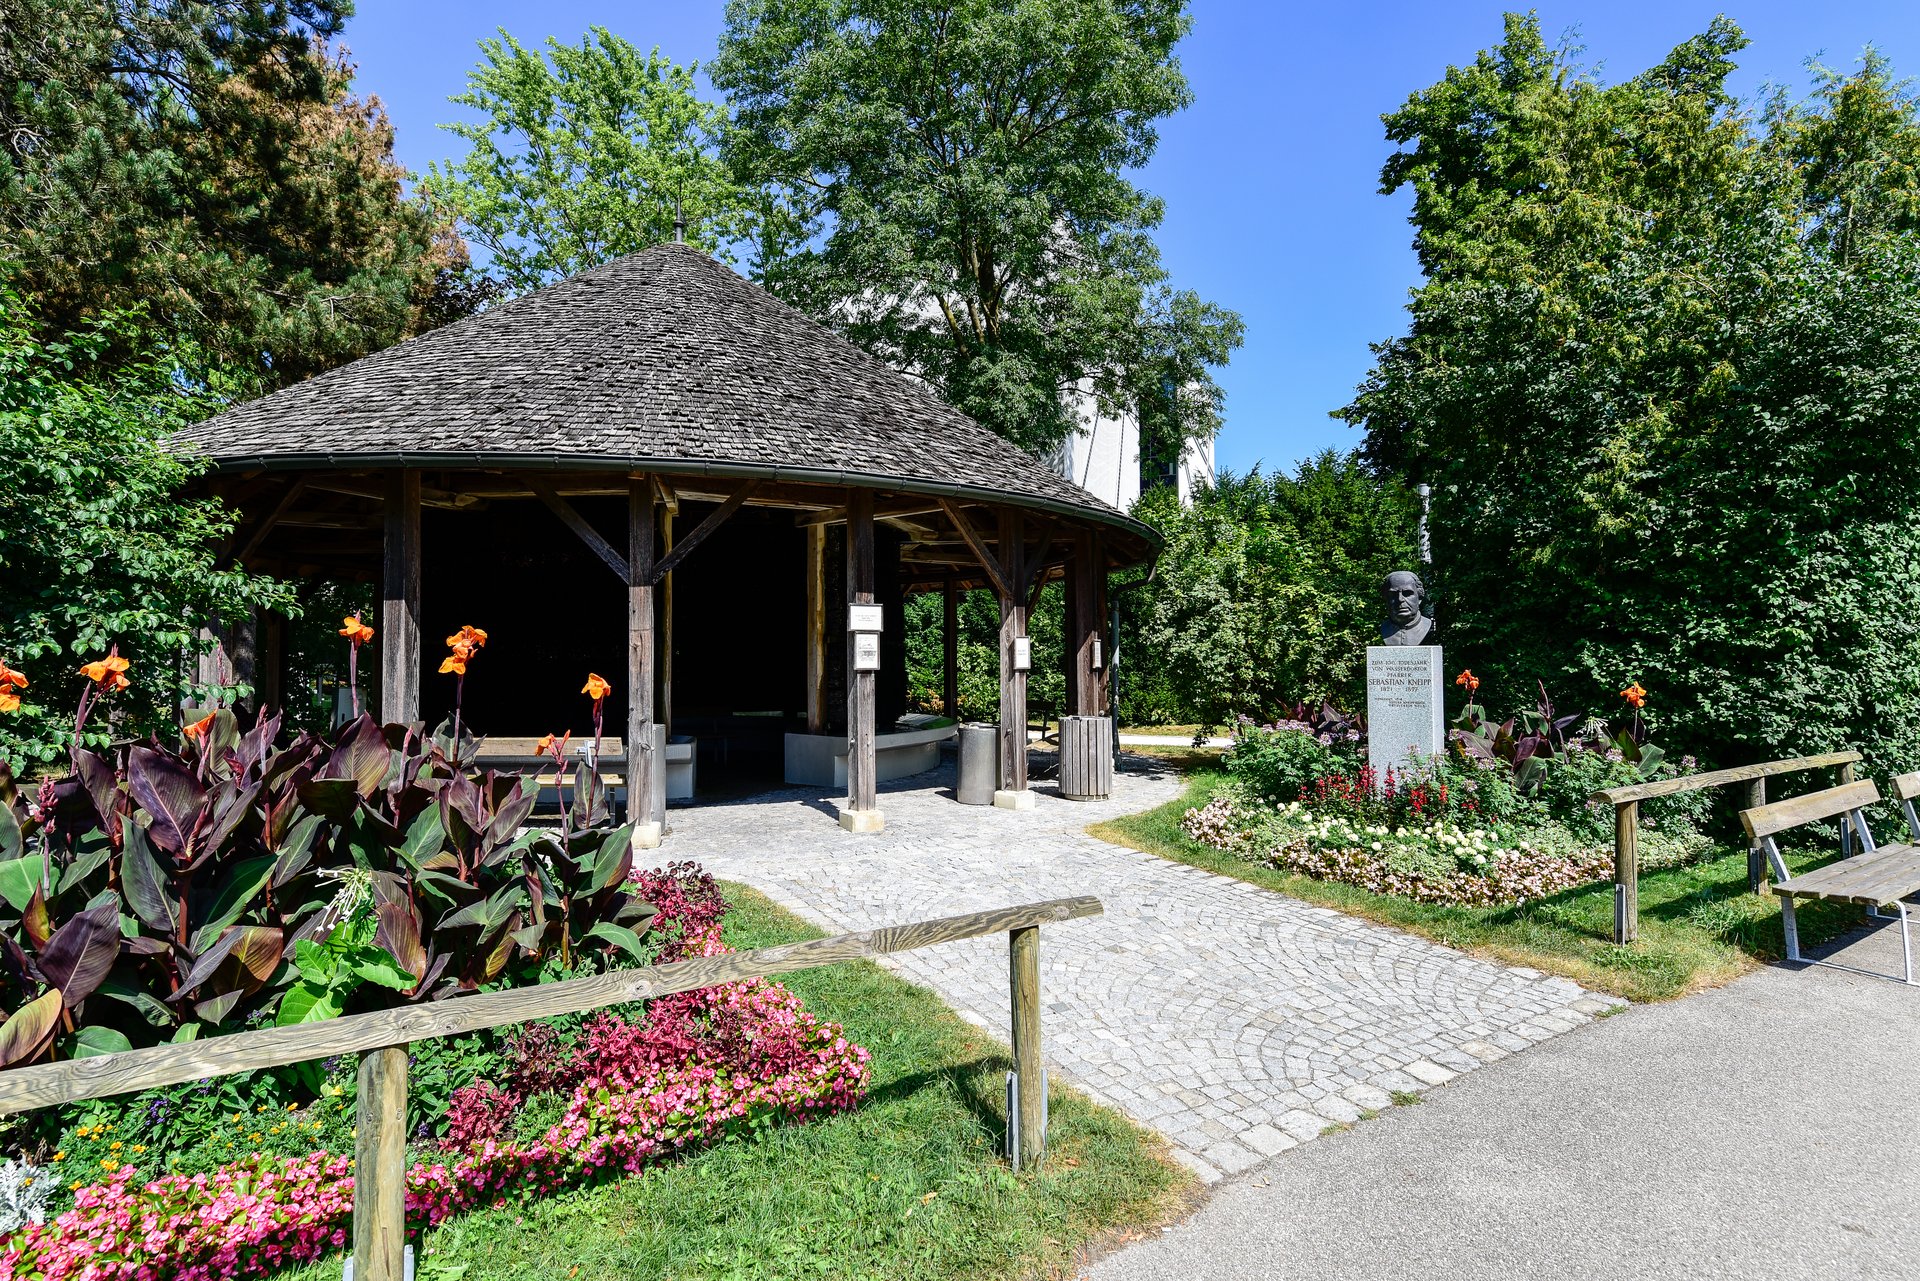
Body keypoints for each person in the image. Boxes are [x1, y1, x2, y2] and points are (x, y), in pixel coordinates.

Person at [1380, 570, 1435, 646]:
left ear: (1419, 598)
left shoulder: (1427, 625)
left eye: (1407, 593)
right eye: (1393, 594)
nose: (1400, 599)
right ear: (1386, 599)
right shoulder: (1384, 628)